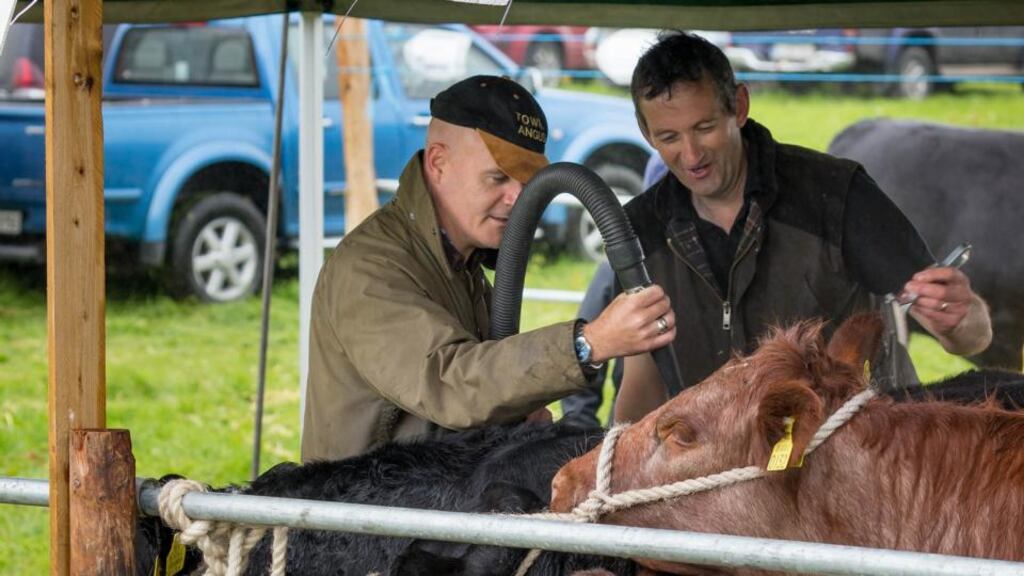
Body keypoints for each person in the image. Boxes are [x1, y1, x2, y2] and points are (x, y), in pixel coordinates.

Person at [615, 32, 993, 422]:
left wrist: (961, 318)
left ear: (739, 107)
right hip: (719, 471)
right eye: (669, 137)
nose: (691, 155)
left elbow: (972, 335)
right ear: (646, 133)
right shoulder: (641, 230)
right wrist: (616, 468)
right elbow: (642, 378)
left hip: (856, 449)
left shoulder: (836, 194)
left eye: (705, 127)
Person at [301, 75, 676, 462]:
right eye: (497, 177)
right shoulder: (369, 270)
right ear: (438, 163)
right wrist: (588, 343)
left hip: (425, 499)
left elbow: (477, 394)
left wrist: (516, 409)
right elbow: (448, 383)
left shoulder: (460, 263)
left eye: (526, 181)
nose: (518, 197)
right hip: (357, 514)